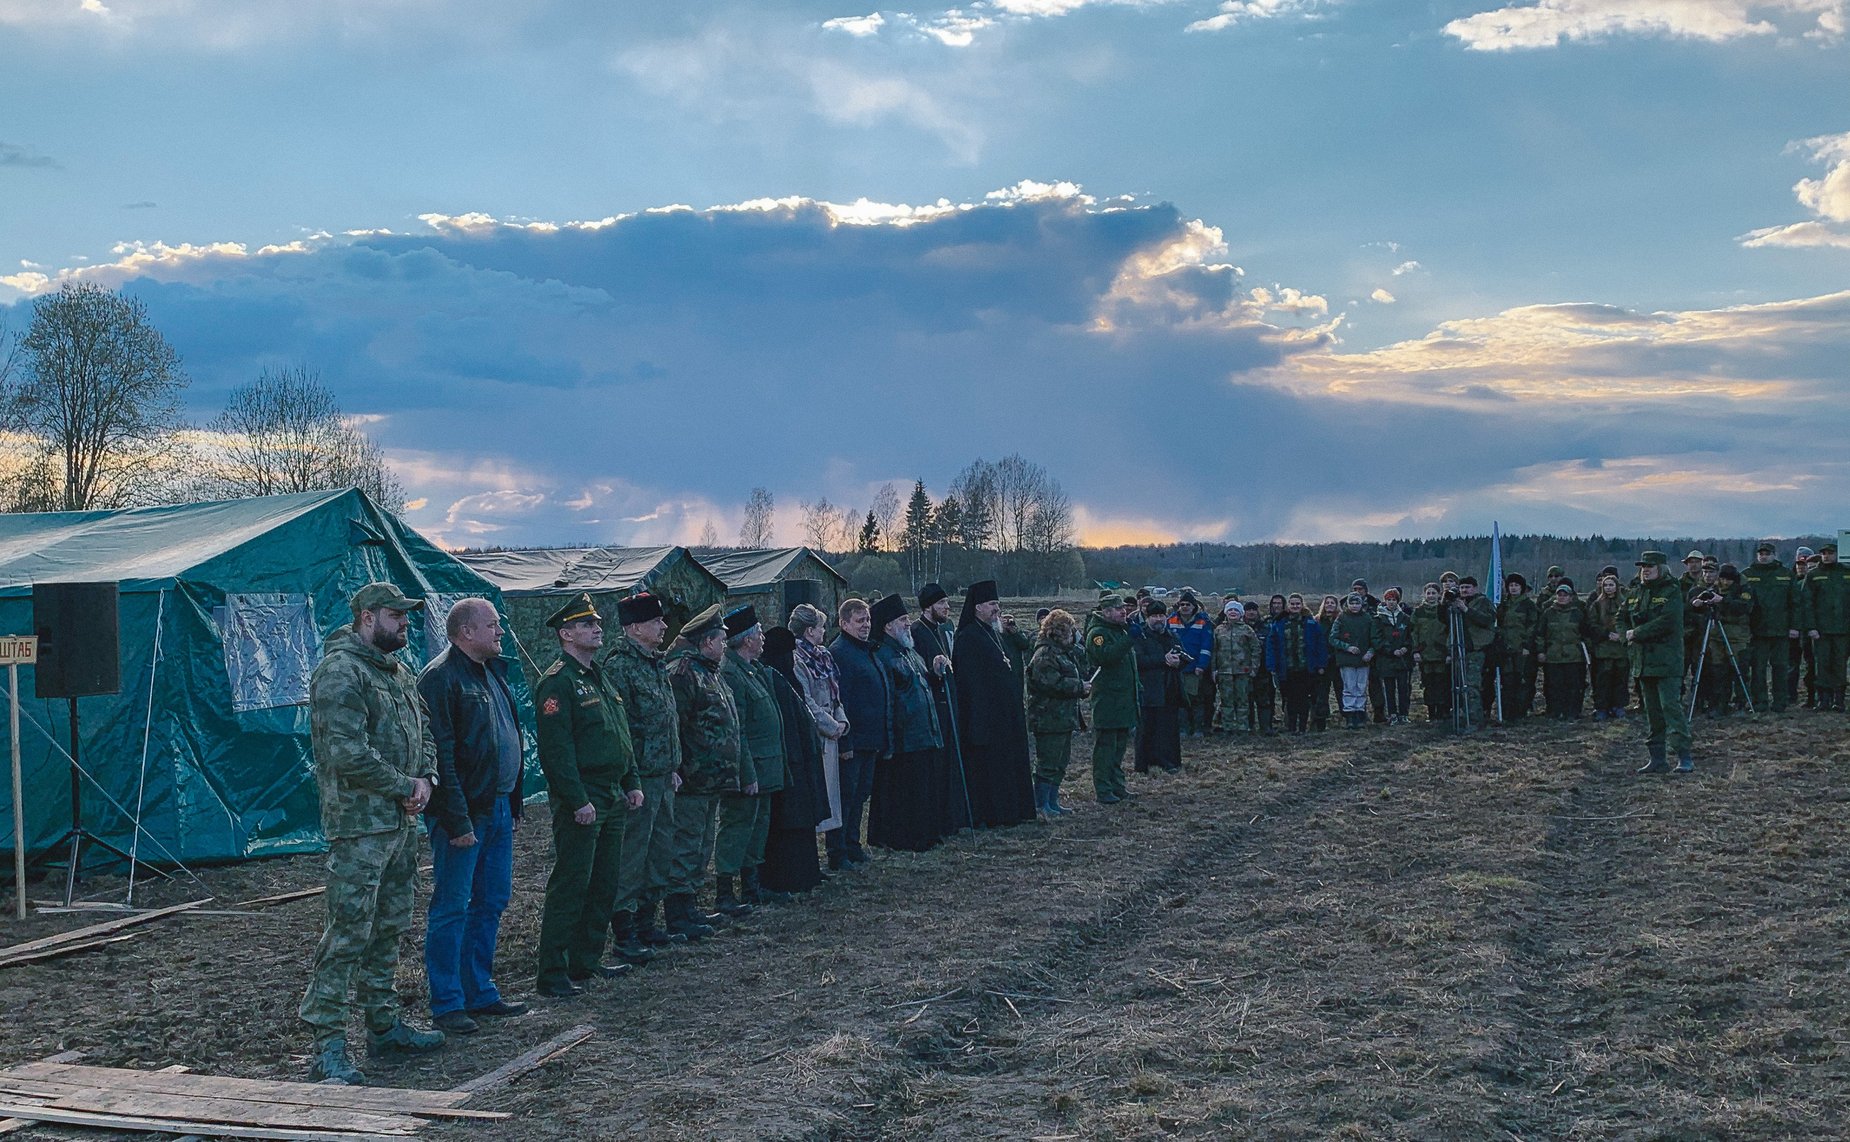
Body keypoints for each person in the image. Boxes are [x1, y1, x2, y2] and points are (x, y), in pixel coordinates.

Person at [300, 583, 444, 1086]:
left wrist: (425, 779)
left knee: (389, 927)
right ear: (365, 617)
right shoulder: (341, 673)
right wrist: (404, 784)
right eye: (393, 614)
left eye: (405, 615)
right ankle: (328, 1045)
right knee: (348, 933)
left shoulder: (398, 672)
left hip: (399, 821)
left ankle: (383, 1026)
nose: (404, 623)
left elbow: (423, 731)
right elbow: (345, 751)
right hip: (360, 826)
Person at [416, 597, 529, 1036]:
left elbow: (506, 738)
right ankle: (447, 1002)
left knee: (492, 901)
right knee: (451, 906)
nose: (501, 631)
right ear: (466, 632)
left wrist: (512, 800)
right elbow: (441, 755)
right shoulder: (441, 679)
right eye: (493, 625)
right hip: (465, 814)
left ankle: (479, 990)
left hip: (497, 807)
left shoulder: (491, 673)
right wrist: (457, 820)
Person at [533, 593, 643, 998]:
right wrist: (577, 800)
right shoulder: (558, 682)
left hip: (611, 794)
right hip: (583, 797)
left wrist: (631, 780)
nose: (597, 628)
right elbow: (557, 753)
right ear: (566, 634)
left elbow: (619, 734)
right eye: (586, 624)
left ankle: (586, 961)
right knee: (572, 883)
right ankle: (553, 972)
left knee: (604, 882)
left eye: (596, 622)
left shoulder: (598, 675)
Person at [601, 591, 683, 963]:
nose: (664, 627)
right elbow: (619, 729)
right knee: (633, 855)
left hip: (663, 773)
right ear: (634, 628)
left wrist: (673, 765)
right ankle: (625, 931)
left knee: (660, 851)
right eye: (656, 622)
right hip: (639, 778)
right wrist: (629, 778)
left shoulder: (654, 662)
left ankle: (648, 921)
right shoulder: (620, 666)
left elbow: (665, 720)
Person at [663, 604, 738, 941]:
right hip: (692, 778)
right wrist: (677, 767)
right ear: (707, 642)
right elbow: (674, 724)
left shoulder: (710, 671)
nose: (726, 645)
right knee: (686, 844)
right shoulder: (682, 672)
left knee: (702, 844)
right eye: (722, 639)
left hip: (711, 778)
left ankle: (690, 905)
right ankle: (677, 912)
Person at [715, 606, 785, 909]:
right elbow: (737, 729)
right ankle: (726, 891)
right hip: (750, 767)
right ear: (745, 640)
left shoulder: (751, 670)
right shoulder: (732, 674)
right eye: (758, 633)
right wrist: (747, 773)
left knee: (757, 827)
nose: (762, 638)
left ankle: (751, 886)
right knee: (737, 827)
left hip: (766, 765)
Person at [952, 580, 1037, 827]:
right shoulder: (968, 637)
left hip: (1004, 715)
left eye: (997, 604)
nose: (997, 609)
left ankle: (1011, 811)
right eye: (992, 604)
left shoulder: (992, 632)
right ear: (977, 607)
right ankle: (990, 815)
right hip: (984, 718)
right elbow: (970, 684)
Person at [867, 594, 946, 850]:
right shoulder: (883, 655)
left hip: (924, 732)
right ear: (888, 626)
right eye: (902, 620)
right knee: (906, 791)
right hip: (904, 736)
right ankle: (906, 838)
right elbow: (889, 698)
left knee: (924, 788)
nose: (907, 623)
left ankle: (927, 833)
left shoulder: (909, 651)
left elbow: (919, 684)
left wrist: (934, 673)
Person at [758, 626, 832, 893]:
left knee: (804, 819)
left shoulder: (787, 677)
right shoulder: (774, 677)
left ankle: (809, 870)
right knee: (789, 821)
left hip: (802, 758)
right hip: (790, 760)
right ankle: (791, 875)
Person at [828, 597, 889, 868]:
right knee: (846, 796)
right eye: (860, 621)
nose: (866, 626)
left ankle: (853, 844)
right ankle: (837, 850)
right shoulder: (840, 652)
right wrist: (845, 742)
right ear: (843, 623)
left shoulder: (865, 650)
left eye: (868, 620)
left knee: (860, 794)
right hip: (852, 739)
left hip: (870, 738)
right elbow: (841, 701)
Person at [909, 584, 971, 836]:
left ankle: (951, 818)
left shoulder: (940, 629)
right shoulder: (917, 632)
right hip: (932, 709)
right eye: (942, 603)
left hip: (948, 706)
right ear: (928, 607)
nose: (948, 607)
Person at [1623, 551, 1692, 773]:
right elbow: (1621, 617)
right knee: (1652, 712)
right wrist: (1626, 633)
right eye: (1643, 566)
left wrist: (1637, 632)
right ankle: (1657, 758)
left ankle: (1684, 756)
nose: (1646, 570)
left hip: (1667, 660)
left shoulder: (1671, 591)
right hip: (1643, 661)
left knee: (1671, 707)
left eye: (1650, 566)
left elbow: (1668, 621)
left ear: (1661, 568)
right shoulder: (1635, 591)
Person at [785, 603, 847, 837]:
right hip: (818, 735)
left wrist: (841, 721)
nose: (824, 632)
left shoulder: (824, 656)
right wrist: (830, 726)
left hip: (833, 731)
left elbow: (835, 692)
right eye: (821, 627)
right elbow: (805, 700)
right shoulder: (797, 660)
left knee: (833, 795)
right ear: (809, 630)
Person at [1027, 608, 1089, 816]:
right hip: (1048, 718)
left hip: (1063, 717)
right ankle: (1041, 804)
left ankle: (1052, 802)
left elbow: (1082, 662)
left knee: (1060, 762)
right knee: (1048, 762)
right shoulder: (1044, 654)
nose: (1073, 635)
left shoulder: (1063, 653)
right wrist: (1079, 686)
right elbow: (1050, 683)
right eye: (1070, 632)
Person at [1086, 592, 1139, 804]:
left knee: (1118, 749)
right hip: (1108, 701)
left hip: (1123, 700)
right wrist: (1129, 639)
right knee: (1105, 749)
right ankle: (1103, 789)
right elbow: (1107, 657)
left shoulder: (1118, 631)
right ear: (1106, 612)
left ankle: (1118, 786)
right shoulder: (1098, 633)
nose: (1123, 611)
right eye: (1118, 609)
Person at [1740, 541, 1797, 713]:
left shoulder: (1786, 574)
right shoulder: (1747, 575)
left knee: (1780, 667)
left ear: (1774, 555)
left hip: (1781, 629)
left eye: (1767, 553)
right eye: (1761, 554)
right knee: (1758, 668)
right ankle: (1760, 701)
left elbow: (1795, 603)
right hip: (1757, 631)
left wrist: (1795, 626)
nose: (1764, 556)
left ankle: (1780, 701)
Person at [1690, 564, 1754, 716]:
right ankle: (1720, 704)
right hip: (1716, 632)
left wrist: (1722, 600)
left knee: (1739, 669)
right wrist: (1699, 601)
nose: (1725, 583)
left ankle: (1741, 703)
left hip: (1737, 634)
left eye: (1728, 580)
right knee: (1719, 670)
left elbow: (1744, 607)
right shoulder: (1714, 588)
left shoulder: (1744, 589)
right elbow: (1700, 597)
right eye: (1723, 579)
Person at [1133, 598, 1186, 771]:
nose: (1159, 619)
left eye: (1161, 615)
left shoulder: (1172, 636)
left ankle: (1168, 761)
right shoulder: (1139, 636)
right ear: (1147, 617)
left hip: (1170, 688)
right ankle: (1143, 764)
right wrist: (1162, 660)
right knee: (1146, 728)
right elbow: (1138, 660)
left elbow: (1183, 655)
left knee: (1168, 728)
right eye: (1154, 616)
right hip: (1148, 689)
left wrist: (1179, 662)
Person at [1266, 593, 1329, 735]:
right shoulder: (1279, 623)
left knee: (1304, 700)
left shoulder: (1311, 623)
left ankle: (1302, 727)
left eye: (1297, 604)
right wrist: (1271, 665)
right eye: (1292, 604)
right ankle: (1291, 726)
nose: (1295, 606)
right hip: (1286, 668)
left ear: (1302, 605)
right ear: (1288, 606)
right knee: (1289, 699)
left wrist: (1321, 665)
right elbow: (1271, 646)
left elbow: (1320, 645)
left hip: (1306, 668)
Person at [1801, 541, 1850, 711]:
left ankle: (1839, 700)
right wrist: (1811, 627)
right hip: (1820, 630)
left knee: (1840, 665)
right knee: (1821, 665)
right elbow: (1806, 603)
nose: (1826, 556)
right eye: (1824, 553)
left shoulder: (1846, 573)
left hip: (1843, 629)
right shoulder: (1813, 575)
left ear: (1836, 554)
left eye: (1830, 553)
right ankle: (1824, 700)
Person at [1537, 583, 1590, 719]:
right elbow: (1540, 634)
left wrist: (1585, 651)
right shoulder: (1548, 613)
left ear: (1571, 597)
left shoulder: (1578, 613)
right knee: (1553, 686)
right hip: (1553, 656)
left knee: (1574, 686)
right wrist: (1541, 651)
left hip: (1574, 657)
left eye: (1565, 595)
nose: (1561, 597)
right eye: (1559, 595)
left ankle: (1572, 712)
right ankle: (1554, 711)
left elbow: (1586, 633)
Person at [1452, 576, 1497, 731]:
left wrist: (1466, 610)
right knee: (1458, 686)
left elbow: (1488, 620)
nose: (1464, 590)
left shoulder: (1483, 602)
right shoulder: (1457, 603)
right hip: (1459, 650)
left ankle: (1475, 720)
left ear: (1475, 588)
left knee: (1471, 686)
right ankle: (1463, 717)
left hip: (1476, 650)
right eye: (1462, 587)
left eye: (1468, 587)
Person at [1167, 592, 1215, 736]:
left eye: (1188, 605)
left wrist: (1201, 665)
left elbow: (1206, 646)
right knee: (1178, 700)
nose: (1185, 607)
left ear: (1194, 606)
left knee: (1196, 700)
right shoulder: (1171, 620)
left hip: (1194, 668)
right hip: (1176, 668)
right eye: (1182, 604)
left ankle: (1198, 728)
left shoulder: (1203, 622)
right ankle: (1182, 728)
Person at [1328, 593, 1377, 730]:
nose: (1355, 606)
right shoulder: (1341, 618)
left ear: (1362, 604)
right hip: (1346, 660)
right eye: (1352, 603)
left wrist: (1370, 652)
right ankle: (1349, 714)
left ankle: (1360, 712)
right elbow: (1333, 638)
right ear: (1347, 604)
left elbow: (1374, 637)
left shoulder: (1368, 618)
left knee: (1361, 687)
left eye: (1357, 603)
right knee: (1349, 687)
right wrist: (1347, 647)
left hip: (1363, 659)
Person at [1211, 600, 1261, 733]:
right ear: (1226, 613)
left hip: (1243, 671)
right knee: (1226, 701)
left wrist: (1254, 668)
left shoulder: (1247, 630)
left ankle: (1242, 727)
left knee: (1242, 700)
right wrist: (1214, 669)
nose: (1233, 613)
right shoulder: (1219, 630)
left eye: (1236, 611)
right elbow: (1214, 651)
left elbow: (1256, 650)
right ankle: (1227, 727)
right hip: (1224, 671)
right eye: (1230, 610)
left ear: (1241, 614)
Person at [1496, 573, 1540, 720]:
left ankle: (1521, 712)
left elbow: (1533, 627)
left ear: (1522, 588)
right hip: (1506, 649)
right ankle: (1507, 712)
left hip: (1522, 649)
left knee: (1523, 681)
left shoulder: (1528, 606)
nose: (1513, 588)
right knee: (1507, 681)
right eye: (1511, 585)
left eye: (1516, 585)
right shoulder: (1503, 605)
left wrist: (1527, 645)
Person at [1585, 573, 1630, 719]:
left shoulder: (1625, 603)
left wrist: (1621, 635)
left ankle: (1618, 706)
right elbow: (1592, 624)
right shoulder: (1597, 604)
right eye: (1606, 585)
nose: (1609, 588)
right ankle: (1601, 708)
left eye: (1611, 585)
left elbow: (1631, 621)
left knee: (1620, 679)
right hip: (1603, 649)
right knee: (1602, 680)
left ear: (1617, 587)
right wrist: (1606, 634)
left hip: (1621, 648)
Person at [1410, 583, 1452, 724]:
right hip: (1425, 654)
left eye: (1434, 593)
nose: (1431, 596)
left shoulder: (1444, 611)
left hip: (1440, 654)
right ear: (1424, 595)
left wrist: (1448, 652)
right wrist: (1415, 650)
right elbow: (1413, 632)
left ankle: (1441, 711)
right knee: (1428, 684)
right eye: (1428, 593)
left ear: (1439, 595)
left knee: (1441, 683)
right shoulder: (1418, 612)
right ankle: (1431, 712)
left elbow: (1450, 632)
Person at [1372, 588, 1414, 725]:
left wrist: (1405, 648)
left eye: (1394, 600)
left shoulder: (1405, 618)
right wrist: (1390, 650)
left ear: (1398, 601)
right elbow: (1376, 639)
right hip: (1386, 659)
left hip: (1403, 660)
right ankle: (1392, 714)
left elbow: (1410, 636)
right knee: (1389, 689)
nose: (1391, 602)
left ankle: (1404, 714)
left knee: (1404, 688)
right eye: (1389, 600)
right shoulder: (1378, 619)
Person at [1310, 595, 1341, 730]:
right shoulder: (1317, 621)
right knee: (1321, 692)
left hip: (1338, 660)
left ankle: (1346, 715)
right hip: (1323, 661)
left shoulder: (1341, 619)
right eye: (1327, 603)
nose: (1329, 605)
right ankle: (1320, 720)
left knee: (1341, 690)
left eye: (1332, 603)